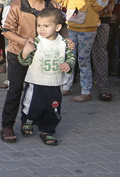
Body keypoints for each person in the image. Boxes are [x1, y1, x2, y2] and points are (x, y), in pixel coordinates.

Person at [0, 0, 60, 142]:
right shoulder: (16, 7)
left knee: (46, 92)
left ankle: (46, 127)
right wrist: (26, 42)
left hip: (45, 57)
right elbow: (6, 31)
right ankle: (7, 126)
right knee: (15, 90)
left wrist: (66, 41)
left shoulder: (54, 6)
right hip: (19, 55)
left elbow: (61, 28)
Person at [17, 8, 76, 146]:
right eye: (39, 25)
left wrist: (68, 64)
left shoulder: (64, 43)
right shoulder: (35, 42)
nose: (41, 29)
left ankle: (47, 130)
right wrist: (25, 52)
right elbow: (24, 61)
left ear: (58, 27)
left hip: (55, 84)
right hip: (36, 83)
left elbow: (71, 57)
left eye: (46, 26)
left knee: (53, 109)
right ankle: (27, 122)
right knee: (31, 106)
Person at [56, 0, 109, 103]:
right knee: (69, 57)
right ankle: (66, 86)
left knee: (83, 60)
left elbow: (100, 6)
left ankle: (86, 91)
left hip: (88, 29)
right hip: (71, 27)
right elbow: (63, 1)